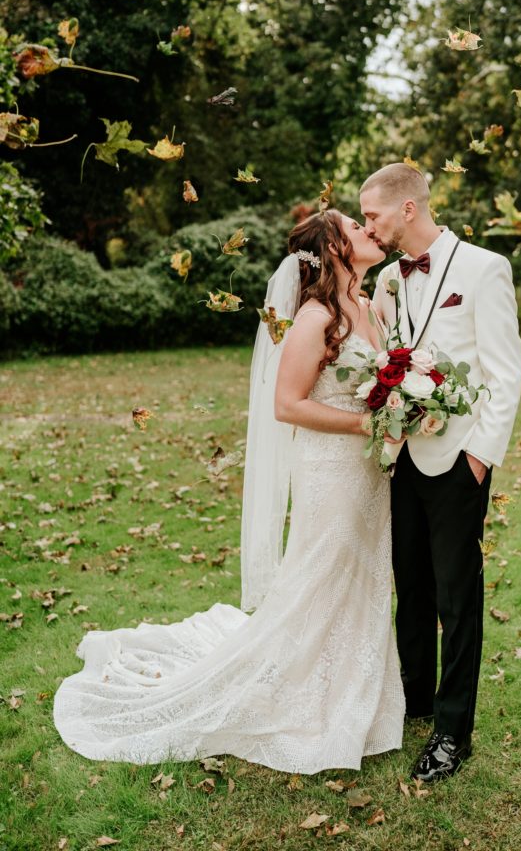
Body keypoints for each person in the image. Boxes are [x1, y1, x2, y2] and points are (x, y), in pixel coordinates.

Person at [53, 210, 405, 774]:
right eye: (354, 228)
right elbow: (287, 404)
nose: (369, 232)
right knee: (321, 578)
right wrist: (367, 424)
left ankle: (355, 691)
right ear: (334, 249)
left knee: (362, 575)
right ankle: (304, 695)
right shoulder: (315, 318)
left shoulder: (366, 308)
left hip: (368, 473)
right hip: (331, 472)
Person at [360, 163, 521, 782]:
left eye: (372, 214)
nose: (368, 226)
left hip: (459, 460)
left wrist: (480, 457)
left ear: (407, 209)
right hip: (400, 455)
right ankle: (415, 698)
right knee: (411, 585)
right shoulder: (387, 281)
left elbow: (505, 373)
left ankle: (454, 732)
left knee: (458, 597)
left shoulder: (484, 269)